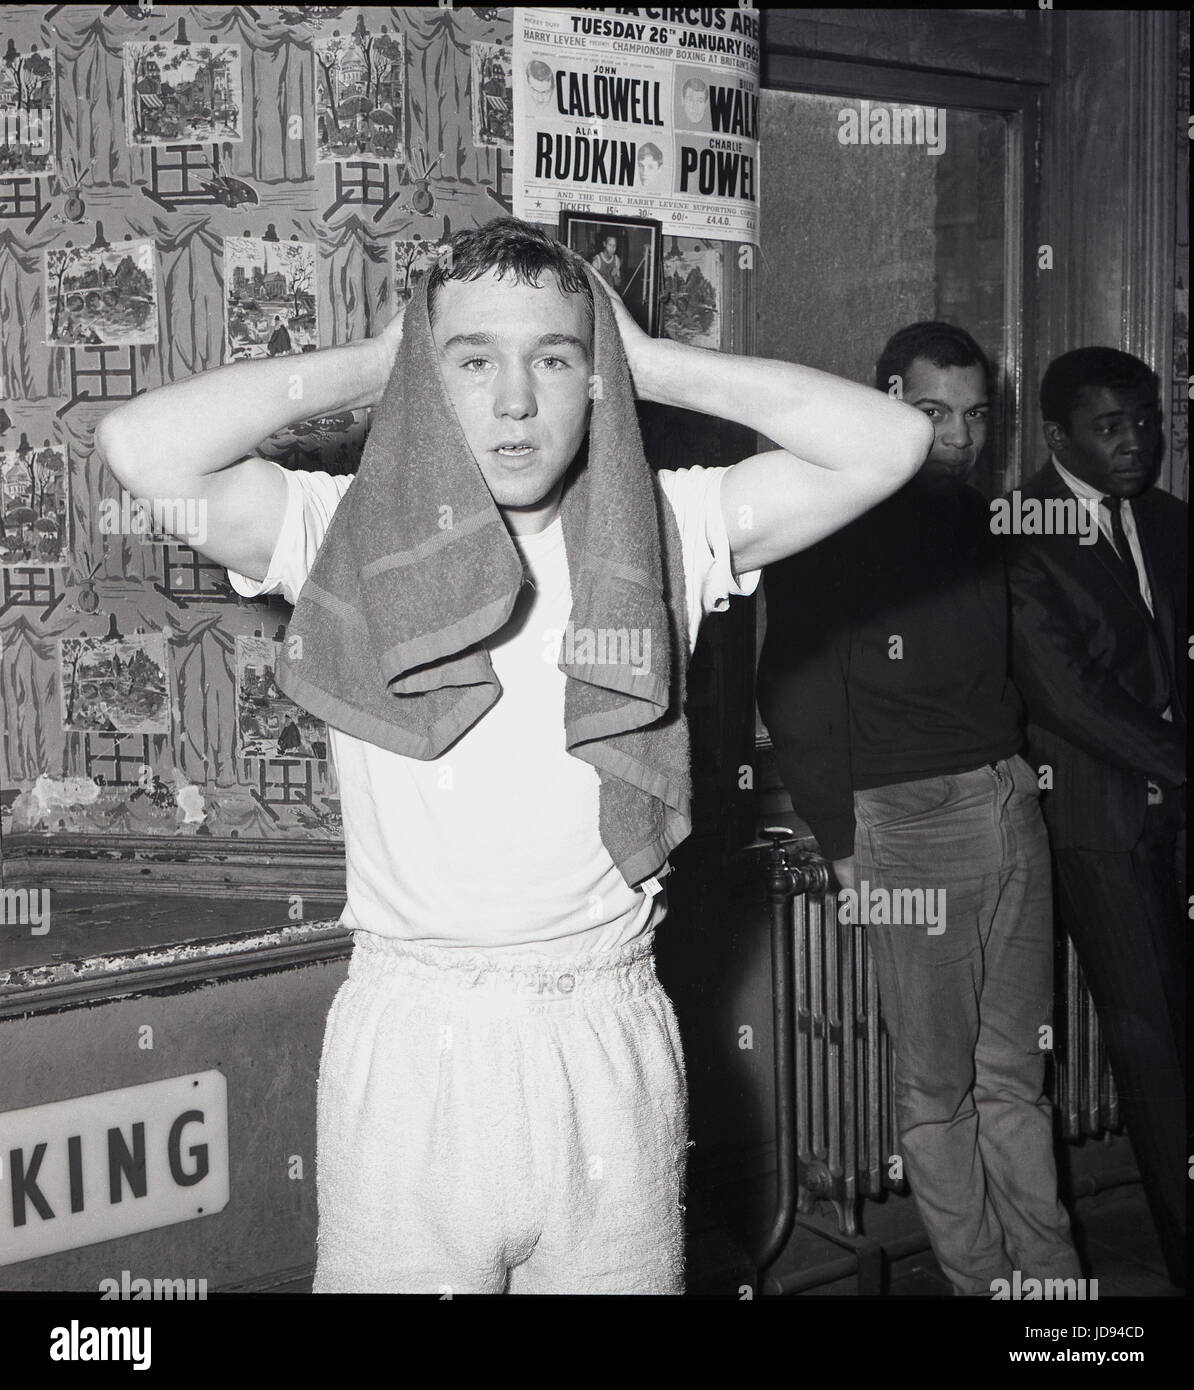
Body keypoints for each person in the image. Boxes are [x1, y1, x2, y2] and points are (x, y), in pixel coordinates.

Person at [95, 217, 931, 1295]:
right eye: (472, 360)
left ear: (597, 378)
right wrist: (368, 361)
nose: (516, 400)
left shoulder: (664, 531)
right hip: (413, 1047)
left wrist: (657, 360)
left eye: (554, 357)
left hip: (605, 1034)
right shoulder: (342, 530)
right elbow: (139, 447)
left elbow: (892, 444)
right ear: (425, 376)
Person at [757, 321, 1081, 1296]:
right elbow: (798, 689)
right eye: (933, 413)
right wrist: (847, 845)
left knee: (1017, 1077)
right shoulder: (832, 516)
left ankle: (1054, 1293)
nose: (957, 436)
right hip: (907, 821)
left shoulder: (982, 521)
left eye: (976, 417)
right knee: (940, 1094)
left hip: (1007, 797)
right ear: (887, 399)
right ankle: (985, 1287)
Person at [1004, 347, 1187, 1287]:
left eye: (1149, 421)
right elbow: (1066, 696)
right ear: (1060, 434)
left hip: (1175, 817)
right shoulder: (1021, 533)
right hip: (1102, 827)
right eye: (1113, 426)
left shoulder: (1169, 522)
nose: (1138, 443)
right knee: (1154, 1051)